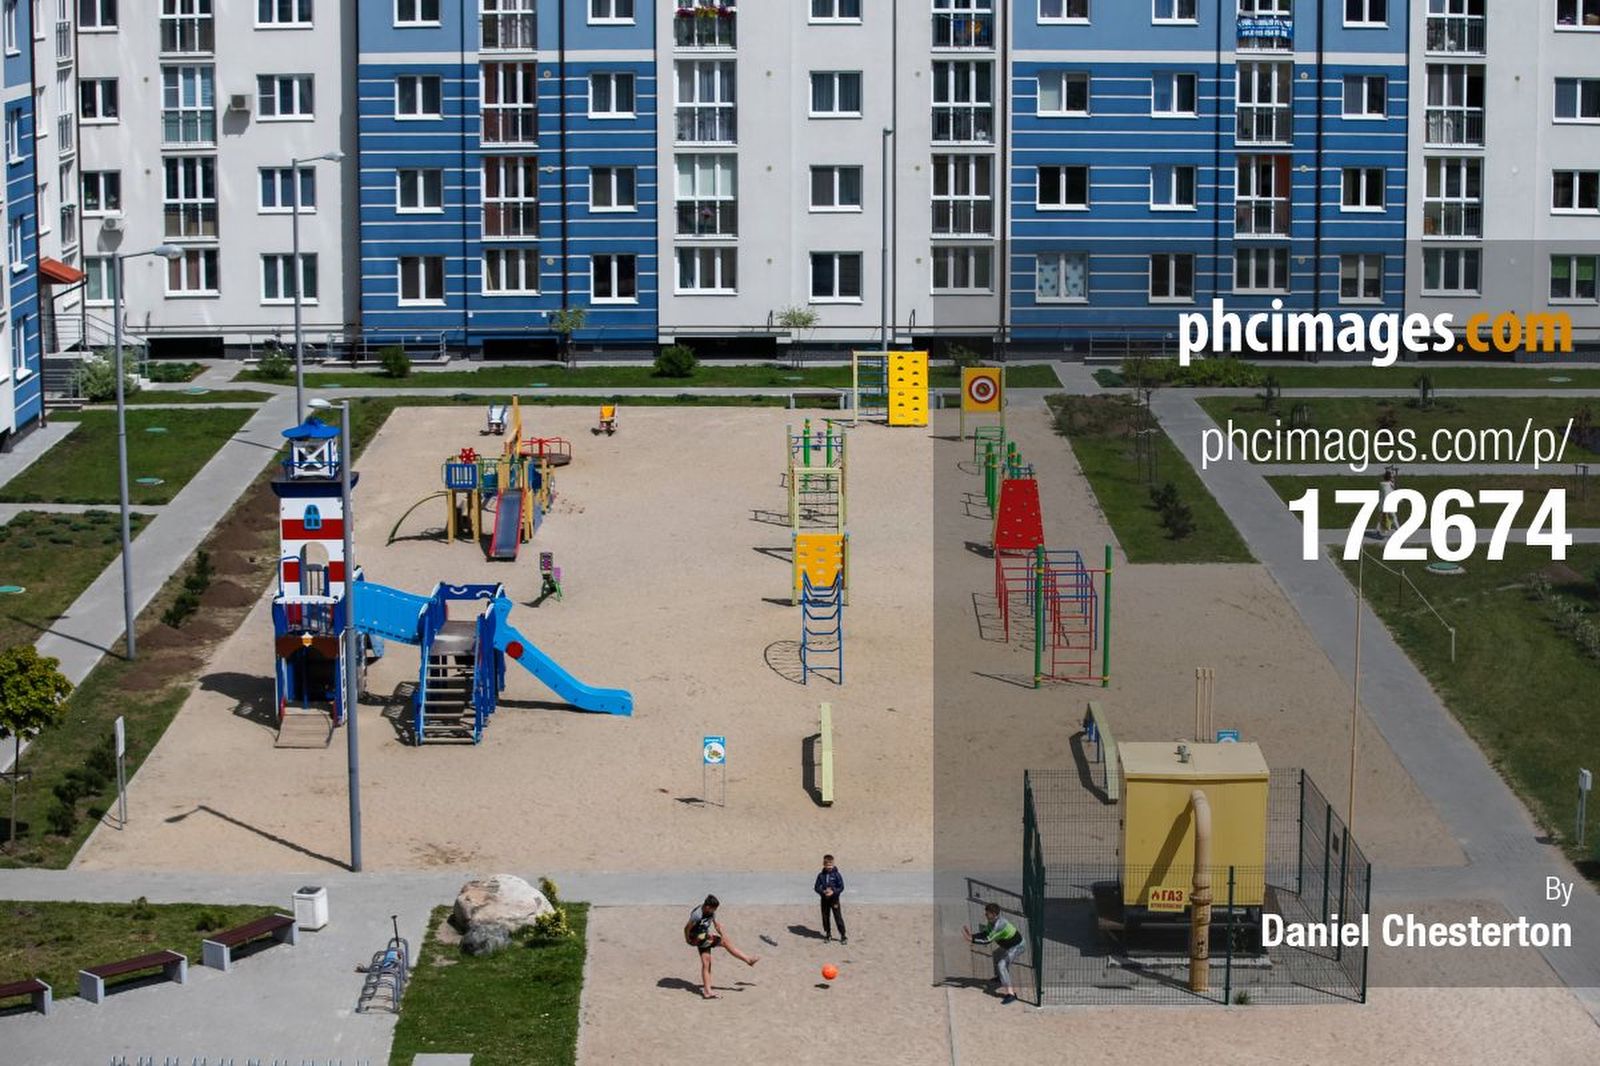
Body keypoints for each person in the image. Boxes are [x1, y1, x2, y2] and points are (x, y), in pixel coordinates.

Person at [685, 894, 758, 999]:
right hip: (696, 937)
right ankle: (748, 960)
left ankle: (707, 991)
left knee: (707, 962)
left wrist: (723, 935)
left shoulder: (711, 911)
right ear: (707, 907)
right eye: (713, 909)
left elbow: (717, 925)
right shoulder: (697, 915)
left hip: (703, 936)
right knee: (717, 947)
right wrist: (687, 939)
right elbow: (687, 928)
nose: (714, 911)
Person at [963, 903, 1024, 1004]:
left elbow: (988, 940)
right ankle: (1000, 978)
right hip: (1008, 946)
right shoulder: (992, 921)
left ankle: (1011, 994)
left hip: (1017, 946)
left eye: (987, 913)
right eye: (985, 913)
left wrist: (972, 940)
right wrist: (972, 936)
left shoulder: (1000, 924)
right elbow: (986, 933)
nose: (985, 915)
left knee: (1001, 965)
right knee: (996, 954)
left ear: (994, 914)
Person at [814, 854, 847, 944]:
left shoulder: (837, 875)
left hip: (834, 899)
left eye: (831, 865)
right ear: (824, 865)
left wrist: (833, 891)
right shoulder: (821, 875)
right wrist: (823, 891)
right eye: (827, 865)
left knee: (838, 917)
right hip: (824, 900)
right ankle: (828, 934)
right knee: (825, 917)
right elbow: (816, 887)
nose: (829, 867)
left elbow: (841, 887)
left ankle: (843, 935)